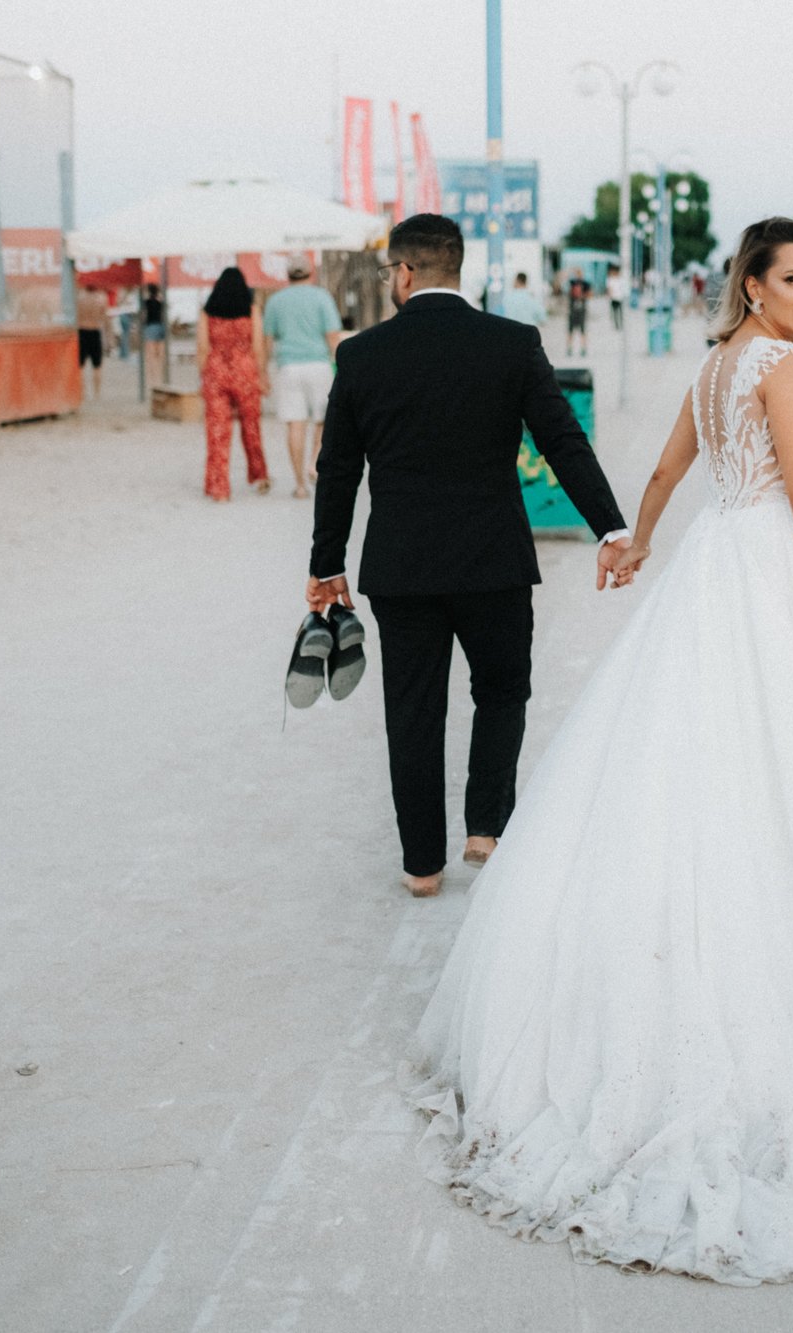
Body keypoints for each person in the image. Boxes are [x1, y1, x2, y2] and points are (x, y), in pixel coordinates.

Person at [405, 217, 793, 1285]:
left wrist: (637, 542)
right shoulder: (776, 364)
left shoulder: (712, 364)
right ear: (751, 281)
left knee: (705, 762)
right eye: (792, 278)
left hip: (711, 568)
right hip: (771, 567)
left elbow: (666, 469)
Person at [305, 213, 631, 898]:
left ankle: (422, 863)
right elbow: (562, 441)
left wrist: (325, 565)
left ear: (404, 272)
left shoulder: (362, 356)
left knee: (413, 711)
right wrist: (610, 527)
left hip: (402, 566)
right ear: (459, 269)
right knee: (503, 689)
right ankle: (486, 825)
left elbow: (337, 471)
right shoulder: (512, 344)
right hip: (494, 560)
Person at [262, 259, 344, 498]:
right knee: (322, 419)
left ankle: (299, 484)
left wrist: (263, 373)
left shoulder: (276, 301)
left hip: (288, 367)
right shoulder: (321, 297)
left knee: (295, 424)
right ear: (311, 273)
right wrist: (341, 366)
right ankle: (314, 462)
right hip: (319, 365)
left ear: (287, 275)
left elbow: (267, 339)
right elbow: (332, 336)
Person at [194, 266, 271, 502]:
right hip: (245, 372)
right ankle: (259, 476)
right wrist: (262, 376)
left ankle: (219, 488)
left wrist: (203, 378)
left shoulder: (207, 313)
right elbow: (257, 347)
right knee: (251, 428)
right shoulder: (251, 310)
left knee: (217, 431)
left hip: (216, 373)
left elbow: (202, 348)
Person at [75, 284, 108, 398]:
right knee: (97, 366)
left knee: (80, 366)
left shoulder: (79, 297)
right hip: (95, 330)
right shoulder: (101, 298)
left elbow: (74, 315)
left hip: (82, 331)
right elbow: (104, 317)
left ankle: (82, 392)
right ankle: (97, 393)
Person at [140, 282, 167, 386]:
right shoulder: (161, 302)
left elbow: (143, 315)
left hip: (150, 326)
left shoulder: (146, 302)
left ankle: (153, 378)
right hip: (160, 326)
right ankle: (159, 376)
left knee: (151, 356)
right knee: (159, 354)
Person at [564, 267, 591, 357]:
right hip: (575, 310)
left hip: (579, 310)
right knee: (572, 331)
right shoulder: (572, 282)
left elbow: (590, 294)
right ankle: (570, 348)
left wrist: (582, 296)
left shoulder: (585, 284)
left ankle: (582, 348)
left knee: (581, 330)